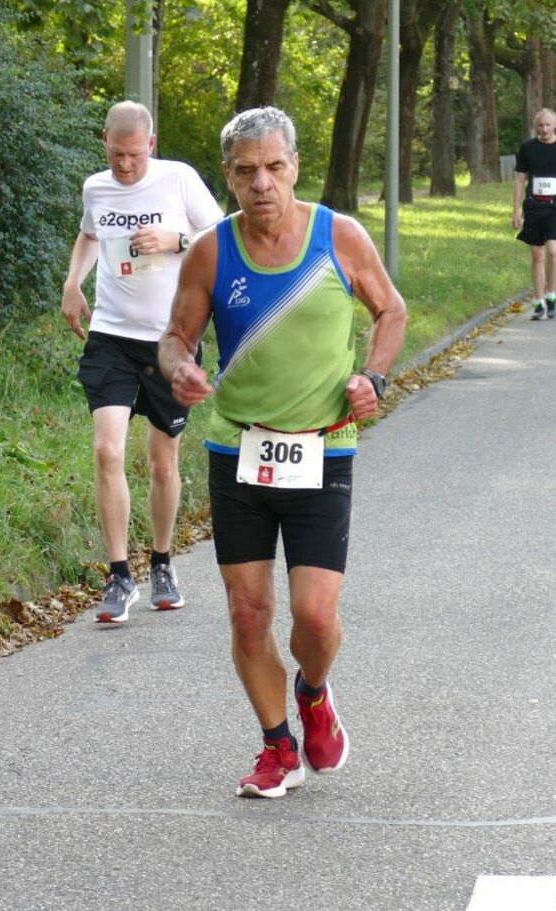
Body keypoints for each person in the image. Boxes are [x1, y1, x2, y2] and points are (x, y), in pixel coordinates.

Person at [158, 107, 406, 798]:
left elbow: (391, 310)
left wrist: (373, 377)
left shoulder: (339, 236)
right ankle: (277, 747)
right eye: (246, 171)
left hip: (323, 450)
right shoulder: (212, 250)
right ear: (229, 177)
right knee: (247, 612)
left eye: (273, 167)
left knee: (316, 617)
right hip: (238, 450)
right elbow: (175, 337)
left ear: (295, 167)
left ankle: (314, 692)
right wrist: (180, 369)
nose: (261, 182)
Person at [62, 101, 223, 625]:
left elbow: (222, 234)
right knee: (107, 449)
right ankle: (118, 576)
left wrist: (176, 240)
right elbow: (91, 234)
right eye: (116, 154)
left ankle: (161, 563)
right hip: (111, 335)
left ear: (150, 144)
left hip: (169, 340)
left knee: (161, 462)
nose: (125, 165)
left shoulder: (178, 179)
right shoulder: (96, 188)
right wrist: (73, 282)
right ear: (104, 142)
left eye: (134, 154)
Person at [513, 107, 556, 320]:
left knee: (553, 252)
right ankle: (539, 303)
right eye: (541, 125)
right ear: (535, 126)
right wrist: (515, 211)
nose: (544, 129)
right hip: (534, 206)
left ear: (554, 126)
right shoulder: (528, 148)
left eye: (548, 125)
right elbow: (520, 179)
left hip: (555, 207)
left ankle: (552, 295)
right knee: (537, 255)